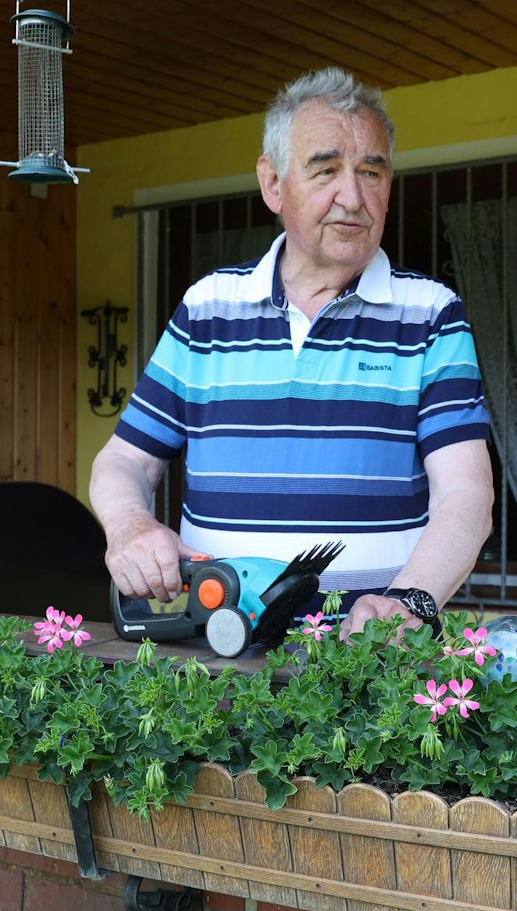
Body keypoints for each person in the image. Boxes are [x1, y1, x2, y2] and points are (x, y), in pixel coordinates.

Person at [91, 68, 494, 638]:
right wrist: (131, 526)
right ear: (274, 183)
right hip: (210, 657)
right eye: (326, 170)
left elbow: (467, 495)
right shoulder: (209, 308)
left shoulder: (430, 316)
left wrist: (411, 601)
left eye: (371, 172)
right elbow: (123, 461)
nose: (352, 198)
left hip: (369, 661)